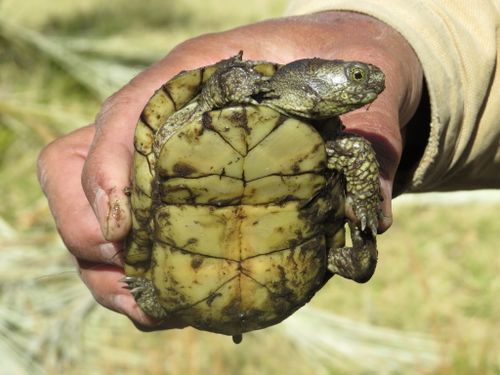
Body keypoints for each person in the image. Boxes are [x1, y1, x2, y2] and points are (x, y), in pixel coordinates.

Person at [37, 3, 499, 330]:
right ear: (315, 76)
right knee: (139, 281)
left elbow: (357, 154)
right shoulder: (234, 93)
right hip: (199, 271)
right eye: (358, 75)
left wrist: (368, 193)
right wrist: (224, 85)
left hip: (272, 277)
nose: (372, 82)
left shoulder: (335, 142)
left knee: (357, 239)